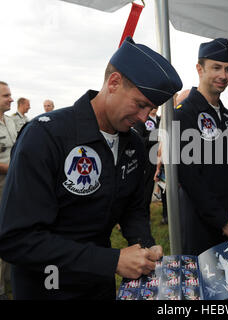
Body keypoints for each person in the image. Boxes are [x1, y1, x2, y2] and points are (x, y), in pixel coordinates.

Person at [0, 37, 182, 300]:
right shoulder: (46, 136)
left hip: (99, 285)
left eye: (151, 109)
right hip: (48, 287)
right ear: (114, 83)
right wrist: (111, 260)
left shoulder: (133, 145)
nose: (144, 118)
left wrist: (144, 245)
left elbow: (133, 209)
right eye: (140, 104)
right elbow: (16, 238)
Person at [174, 38, 228, 256]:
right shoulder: (184, 113)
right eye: (216, 68)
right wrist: (222, 220)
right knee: (201, 286)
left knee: (227, 284)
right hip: (201, 222)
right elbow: (189, 176)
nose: (223, 76)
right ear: (199, 69)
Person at [0, 81, 18, 300]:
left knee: (10, 231)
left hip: (12, 184)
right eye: (6, 95)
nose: (11, 99)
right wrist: (14, 167)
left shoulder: (12, 122)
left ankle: (9, 281)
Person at [133, 107, 161, 221]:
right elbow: (139, 140)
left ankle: (167, 216)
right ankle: (145, 218)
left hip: (162, 160)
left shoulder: (161, 120)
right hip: (148, 161)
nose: (155, 107)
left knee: (165, 189)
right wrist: (156, 137)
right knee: (146, 191)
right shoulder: (141, 120)